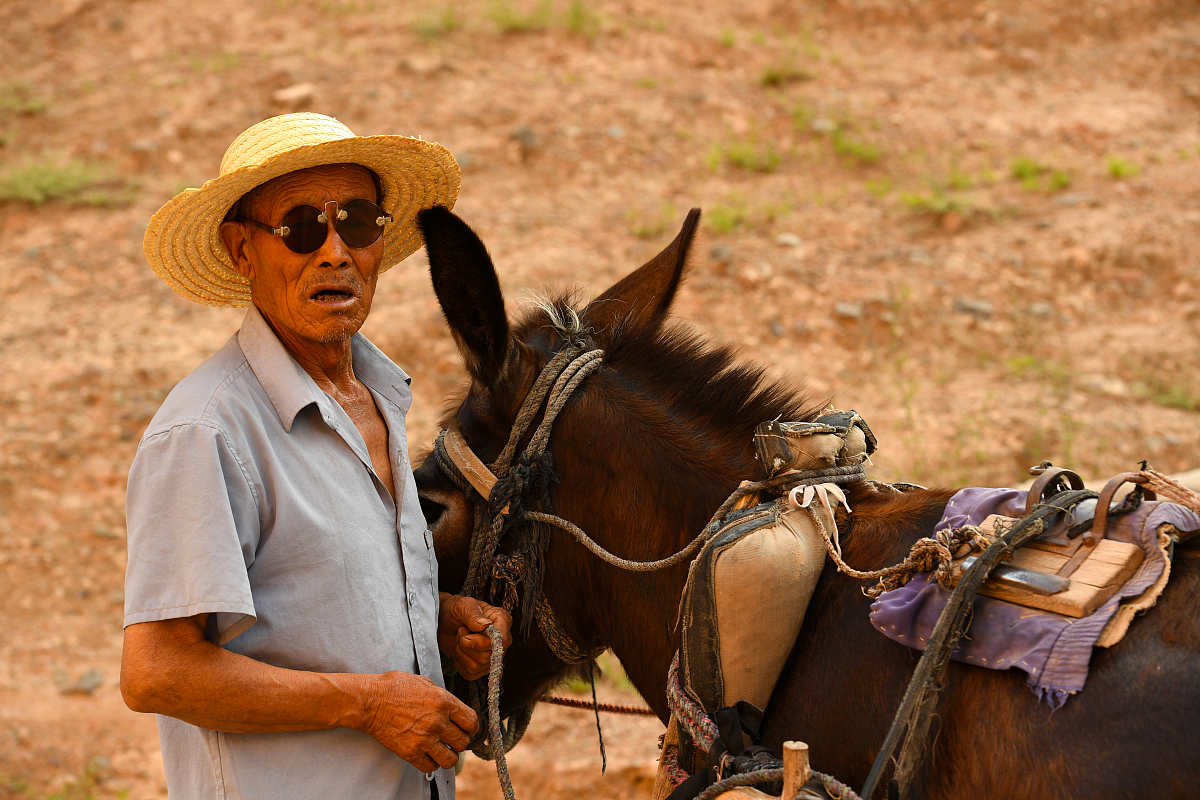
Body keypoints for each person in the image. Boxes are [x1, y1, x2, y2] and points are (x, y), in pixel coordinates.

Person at [120, 112, 510, 800]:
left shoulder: (376, 394)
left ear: (379, 241)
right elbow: (157, 671)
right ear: (243, 250)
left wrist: (434, 619)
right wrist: (367, 702)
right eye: (300, 226)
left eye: (355, 222)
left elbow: (317, 596)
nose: (333, 252)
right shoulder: (207, 433)